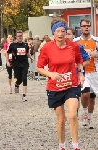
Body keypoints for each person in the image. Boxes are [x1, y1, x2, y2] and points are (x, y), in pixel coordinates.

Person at [37, 17, 84, 150]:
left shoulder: (73, 46)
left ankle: (76, 146)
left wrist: (80, 74)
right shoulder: (47, 48)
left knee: (73, 114)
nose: (61, 34)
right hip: (55, 87)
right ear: (53, 33)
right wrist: (51, 74)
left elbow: (79, 61)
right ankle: (62, 145)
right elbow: (39, 67)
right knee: (61, 120)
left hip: (71, 85)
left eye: (63, 31)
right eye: (58, 31)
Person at [73, 18, 98, 129]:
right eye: (84, 26)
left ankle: (89, 118)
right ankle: (84, 112)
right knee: (85, 94)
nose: (86, 27)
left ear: (90, 27)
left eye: (88, 25)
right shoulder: (76, 41)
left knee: (92, 98)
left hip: (94, 72)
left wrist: (94, 54)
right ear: (80, 28)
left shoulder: (96, 40)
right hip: (82, 72)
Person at [6, 30, 33, 101]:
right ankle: (17, 84)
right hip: (16, 63)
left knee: (24, 78)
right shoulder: (13, 45)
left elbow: (27, 53)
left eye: (21, 36)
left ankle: (24, 95)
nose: (20, 37)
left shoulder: (26, 44)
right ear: (16, 37)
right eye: (19, 36)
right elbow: (8, 53)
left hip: (24, 63)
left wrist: (31, 58)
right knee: (18, 78)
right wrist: (7, 61)